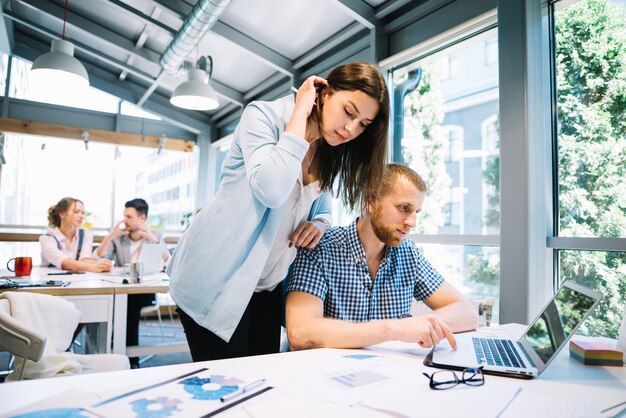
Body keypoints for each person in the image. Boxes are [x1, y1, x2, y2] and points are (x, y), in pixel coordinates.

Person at [167, 62, 390, 361]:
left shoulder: (329, 146)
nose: (351, 129)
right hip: (217, 277)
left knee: (262, 385)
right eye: (349, 112)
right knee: (227, 391)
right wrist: (300, 113)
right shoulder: (262, 116)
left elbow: (321, 204)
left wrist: (321, 224)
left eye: (363, 124)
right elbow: (270, 189)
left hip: (267, 284)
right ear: (323, 94)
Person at [285, 164, 478, 350]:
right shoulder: (320, 249)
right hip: (328, 377)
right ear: (370, 201)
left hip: (392, 376)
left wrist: (427, 325)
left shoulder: (407, 253)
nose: (412, 222)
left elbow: (467, 312)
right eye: (404, 208)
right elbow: (300, 333)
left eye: (416, 212)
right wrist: (394, 329)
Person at [95, 198, 168, 368]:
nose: (124, 221)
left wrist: (150, 237)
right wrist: (110, 237)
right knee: (123, 303)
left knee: (129, 305)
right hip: (122, 288)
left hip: (145, 290)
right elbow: (98, 256)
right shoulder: (120, 238)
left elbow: (167, 259)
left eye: (128, 216)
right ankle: (123, 355)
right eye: (124, 216)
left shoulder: (155, 235)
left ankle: (126, 356)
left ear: (141, 219)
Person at [40, 197, 113, 273]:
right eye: (76, 212)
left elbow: (86, 260)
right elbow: (65, 263)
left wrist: (101, 265)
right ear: (61, 213)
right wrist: (94, 267)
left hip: (76, 281)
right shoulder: (47, 239)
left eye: (82, 213)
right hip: (51, 282)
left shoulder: (85, 234)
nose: (81, 216)